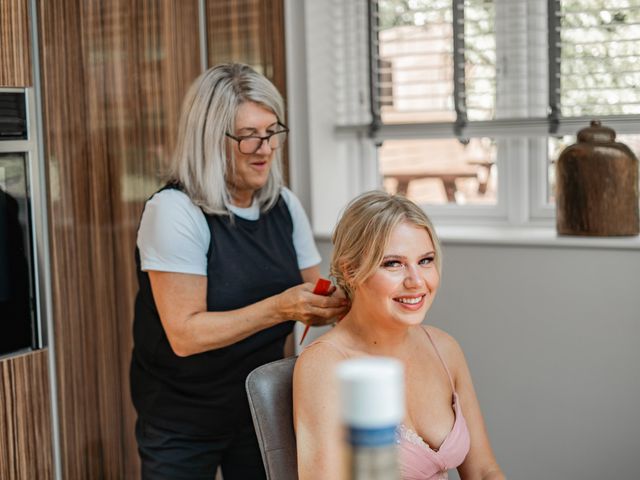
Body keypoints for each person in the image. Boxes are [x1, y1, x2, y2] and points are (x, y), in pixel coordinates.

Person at [130, 63, 349, 480]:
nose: (264, 148)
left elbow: (314, 293)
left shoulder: (283, 205)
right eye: (248, 136)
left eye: (271, 132)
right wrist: (282, 308)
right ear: (209, 140)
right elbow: (186, 335)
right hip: (182, 417)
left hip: (260, 403)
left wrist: (352, 294)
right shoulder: (175, 211)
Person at [293, 191, 505, 480]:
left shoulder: (444, 349)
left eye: (426, 260)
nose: (416, 282)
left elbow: (482, 471)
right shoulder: (324, 366)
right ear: (351, 270)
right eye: (393, 263)